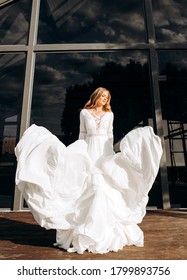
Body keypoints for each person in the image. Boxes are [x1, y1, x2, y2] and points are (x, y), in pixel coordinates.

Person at [15, 87, 163, 254]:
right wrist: (79, 154)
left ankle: (104, 233)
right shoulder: (84, 113)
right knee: (88, 188)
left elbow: (110, 136)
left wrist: (110, 157)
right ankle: (83, 234)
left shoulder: (109, 115)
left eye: (107, 97)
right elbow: (82, 135)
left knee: (104, 189)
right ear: (96, 97)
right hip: (89, 151)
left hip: (104, 154)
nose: (105, 100)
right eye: (103, 97)